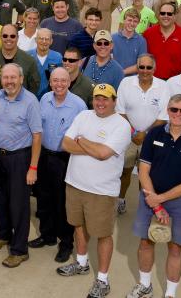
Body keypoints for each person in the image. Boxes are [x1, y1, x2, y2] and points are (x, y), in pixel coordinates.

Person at [127, 93, 181, 298]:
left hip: (179, 203)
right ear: (168, 110)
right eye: (174, 109)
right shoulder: (154, 134)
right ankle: (145, 286)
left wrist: (160, 200)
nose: (178, 114)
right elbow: (143, 170)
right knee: (145, 242)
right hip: (149, 198)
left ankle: (170, 294)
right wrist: (154, 203)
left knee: (175, 248)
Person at [56, 84, 131, 298]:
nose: (100, 103)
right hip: (75, 183)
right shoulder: (83, 116)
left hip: (102, 191)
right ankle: (81, 263)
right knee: (78, 225)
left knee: (103, 234)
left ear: (114, 101)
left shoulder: (121, 125)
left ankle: (103, 280)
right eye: (97, 98)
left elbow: (103, 154)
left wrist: (83, 141)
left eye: (105, 99)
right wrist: (92, 147)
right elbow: (66, 144)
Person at [0, 63, 42, 268]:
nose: (9, 81)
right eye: (6, 77)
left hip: (21, 158)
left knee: (18, 205)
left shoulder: (30, 101)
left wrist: (33, 168)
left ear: (21, 79)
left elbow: (37, 136)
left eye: (13, 78)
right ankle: (4, 236)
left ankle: (19, 250)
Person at [32, 67, 87, 261]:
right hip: (45, 155)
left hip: (65, 159)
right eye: (55, 81)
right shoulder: (44, 99)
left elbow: (83, 135)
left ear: (69, 82)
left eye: (63, 81)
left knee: (63, 202)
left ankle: (66, 243)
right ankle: (47, 236)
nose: (59, 85)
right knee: (44, 198)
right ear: (50, 82)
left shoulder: (78, 105)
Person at [116, 54, 169, 214]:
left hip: (152, 138)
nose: (145, 71)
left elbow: (164, 116)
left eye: (149, 67)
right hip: (129, 136)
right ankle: (121, 199)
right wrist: (134, 133)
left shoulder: (163, 86)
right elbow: (120, 111)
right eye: (141, 67)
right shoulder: (126, 83)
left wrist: (145, 134)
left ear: (154, 68)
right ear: (137, 68)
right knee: (125, 170)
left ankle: (144, 203)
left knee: (146, 173)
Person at [0, 24, 40, 95]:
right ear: (0, 37)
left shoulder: (29, 60)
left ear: (17, 38)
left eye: (12, 36)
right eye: (5, 36)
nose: (8, 39)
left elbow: (34, 86)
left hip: (21, 104)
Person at [143, 2, 181, 79]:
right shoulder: (148, 33)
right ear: (159, 15)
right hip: (152, 81)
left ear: (175, 16)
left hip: (175, 82)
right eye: (163, 13)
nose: (166, 16)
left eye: (169, 14)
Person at [28, 27, 64, 97]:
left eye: (47, 39)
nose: (44, 41)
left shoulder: (57, 57)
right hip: (31, 96)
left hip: (51, 97)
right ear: (36, 40)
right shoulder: (28, 56)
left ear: (51, 41)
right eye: (41, 38)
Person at [113, 8, 149, 76]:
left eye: (135, 21)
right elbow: (109, 59)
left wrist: (123, 72)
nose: (132, 23)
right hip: (114, 76)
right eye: (129, 20)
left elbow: (141, 63)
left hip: (133, 79)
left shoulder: (141, 41)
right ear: (124, 20)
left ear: (138, 23)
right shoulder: (113, 38)